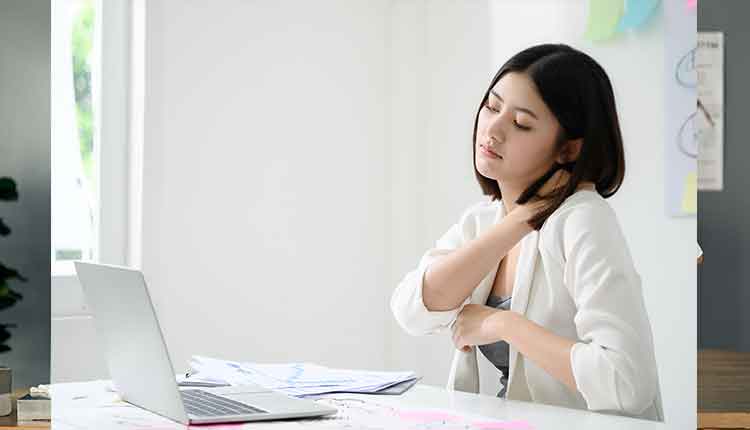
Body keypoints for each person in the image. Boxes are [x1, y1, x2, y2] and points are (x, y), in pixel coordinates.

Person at [391, 44, 662, 420]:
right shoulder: (484, 221)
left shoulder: (583, 221)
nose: (494, 129)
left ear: (568, 150)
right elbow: (412, 311)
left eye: (521, 123)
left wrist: (502, 324)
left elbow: (627, 383)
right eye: (491, 106)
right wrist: (518, 222)